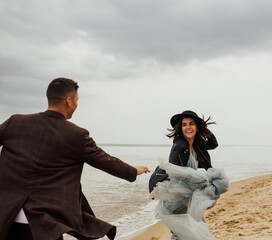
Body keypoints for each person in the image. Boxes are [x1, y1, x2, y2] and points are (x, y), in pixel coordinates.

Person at [0, 78, 150, 240]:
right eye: (77, 100)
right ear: (68, 101)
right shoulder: (76, 135)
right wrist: (133, 171)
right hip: (45, 225)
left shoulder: (15, 122)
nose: (77, 105)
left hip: (7, 218)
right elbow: (106, 161)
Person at [149, 110, 221, 240]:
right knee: (185, 231)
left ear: (197, 127)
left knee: (186, 230)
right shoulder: (180, 145)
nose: (188, 127)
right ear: (180, 128)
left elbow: (213, 144)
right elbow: (173, 171)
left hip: (187, 193)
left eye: (192, 124)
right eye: (184, 124)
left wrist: (203, 129)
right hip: (177, 195)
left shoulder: (197, 144)